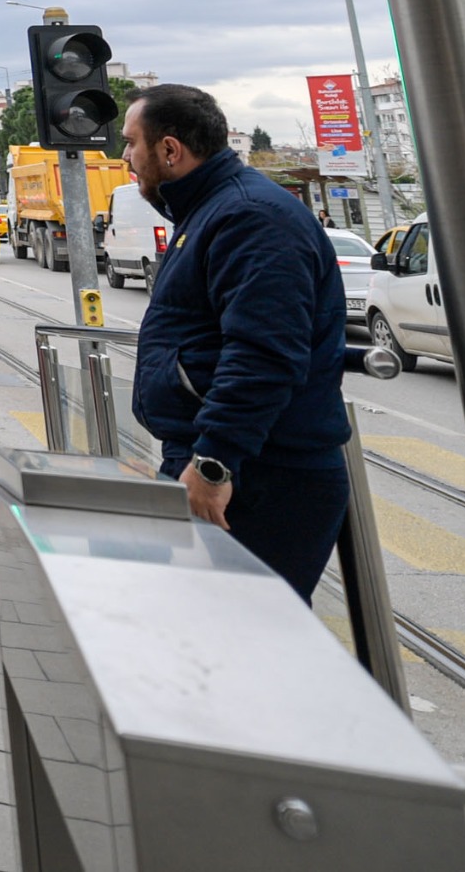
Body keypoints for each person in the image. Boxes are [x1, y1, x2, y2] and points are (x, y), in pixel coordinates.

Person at [125, 84, 352, 599]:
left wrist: (213, 463)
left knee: (243, 643)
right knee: (207, 639)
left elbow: (264, 353)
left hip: (258, 473)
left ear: (169, 150)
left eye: (132, 143)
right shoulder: (211, 211)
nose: (126, 159)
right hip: (229, 460)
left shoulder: (249, 217)